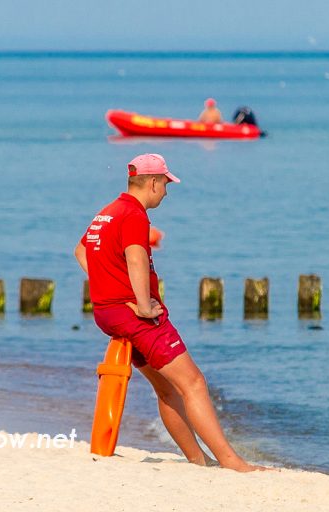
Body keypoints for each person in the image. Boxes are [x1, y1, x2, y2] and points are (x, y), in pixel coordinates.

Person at [75, 153, 263, 472]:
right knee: (194, 383)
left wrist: (108, 286)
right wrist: (144, 303)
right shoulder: (134, 214)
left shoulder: (107, 212)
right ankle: (232, 462)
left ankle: (197, 460)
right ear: (152, 182)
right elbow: (135, 258)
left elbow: (81, 250)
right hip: (137, 317)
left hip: (109, 314)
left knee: (166, 388)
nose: (166, 192)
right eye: (165, 184)